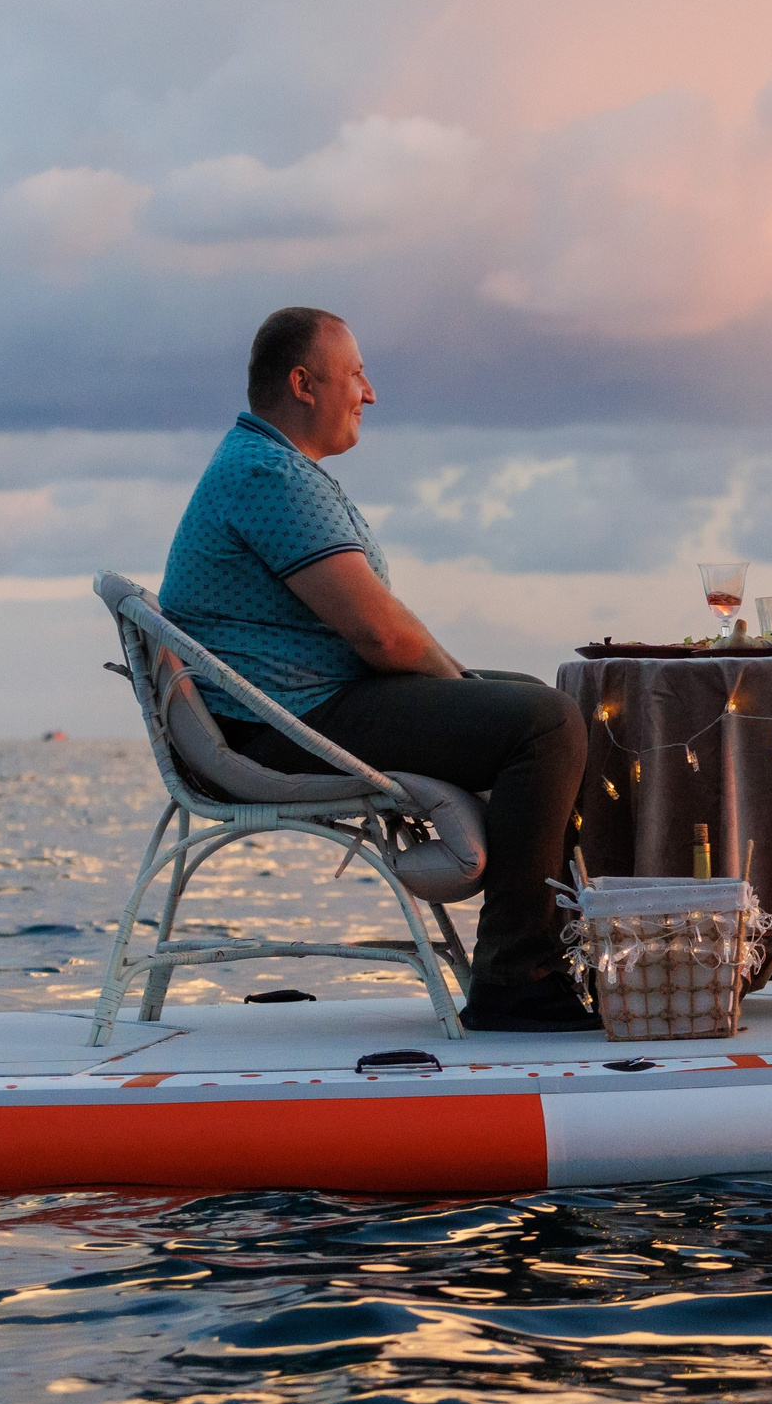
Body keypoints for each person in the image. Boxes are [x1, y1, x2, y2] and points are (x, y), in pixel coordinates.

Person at [159, 306, 600, 1033]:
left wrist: (470, 688)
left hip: (298, 705)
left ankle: (560, 949)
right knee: (544, 723)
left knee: (530, 699)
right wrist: (461, 689)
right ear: (305, 383)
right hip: (281, 723)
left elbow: (380, 633)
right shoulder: (267, 474)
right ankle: (518, 977)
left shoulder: (268, 466)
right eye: (357, 373)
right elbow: (381, 635)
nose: (370, 392)